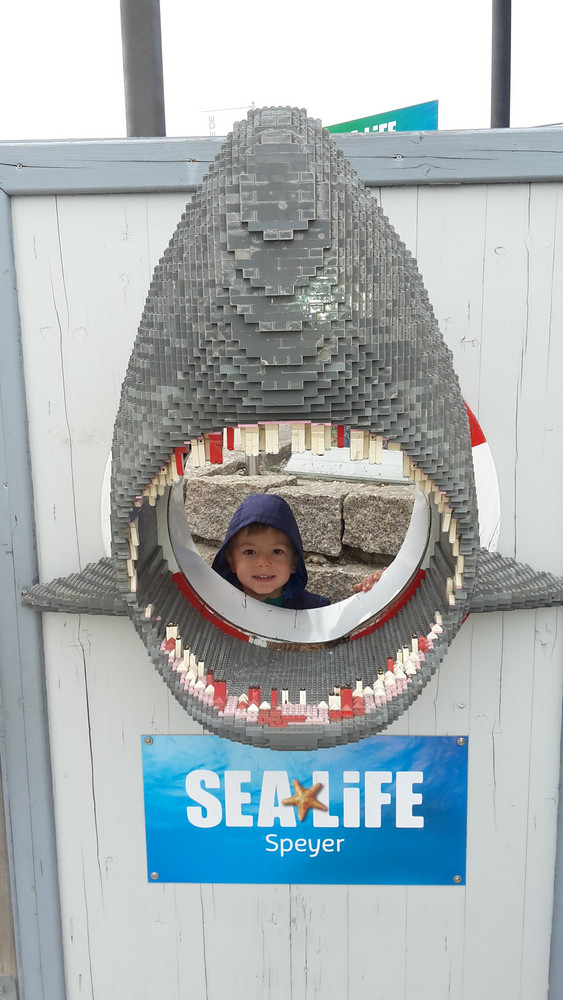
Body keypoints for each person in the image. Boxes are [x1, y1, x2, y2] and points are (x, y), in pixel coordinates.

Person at [211, 493, 383, 609]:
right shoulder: (215, 608)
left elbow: (345, 640)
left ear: (294, 562)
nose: (263, 563)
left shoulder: (314, 611)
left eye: (276, 551)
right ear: (231, 561)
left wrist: (370, 597)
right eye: (250, 552)